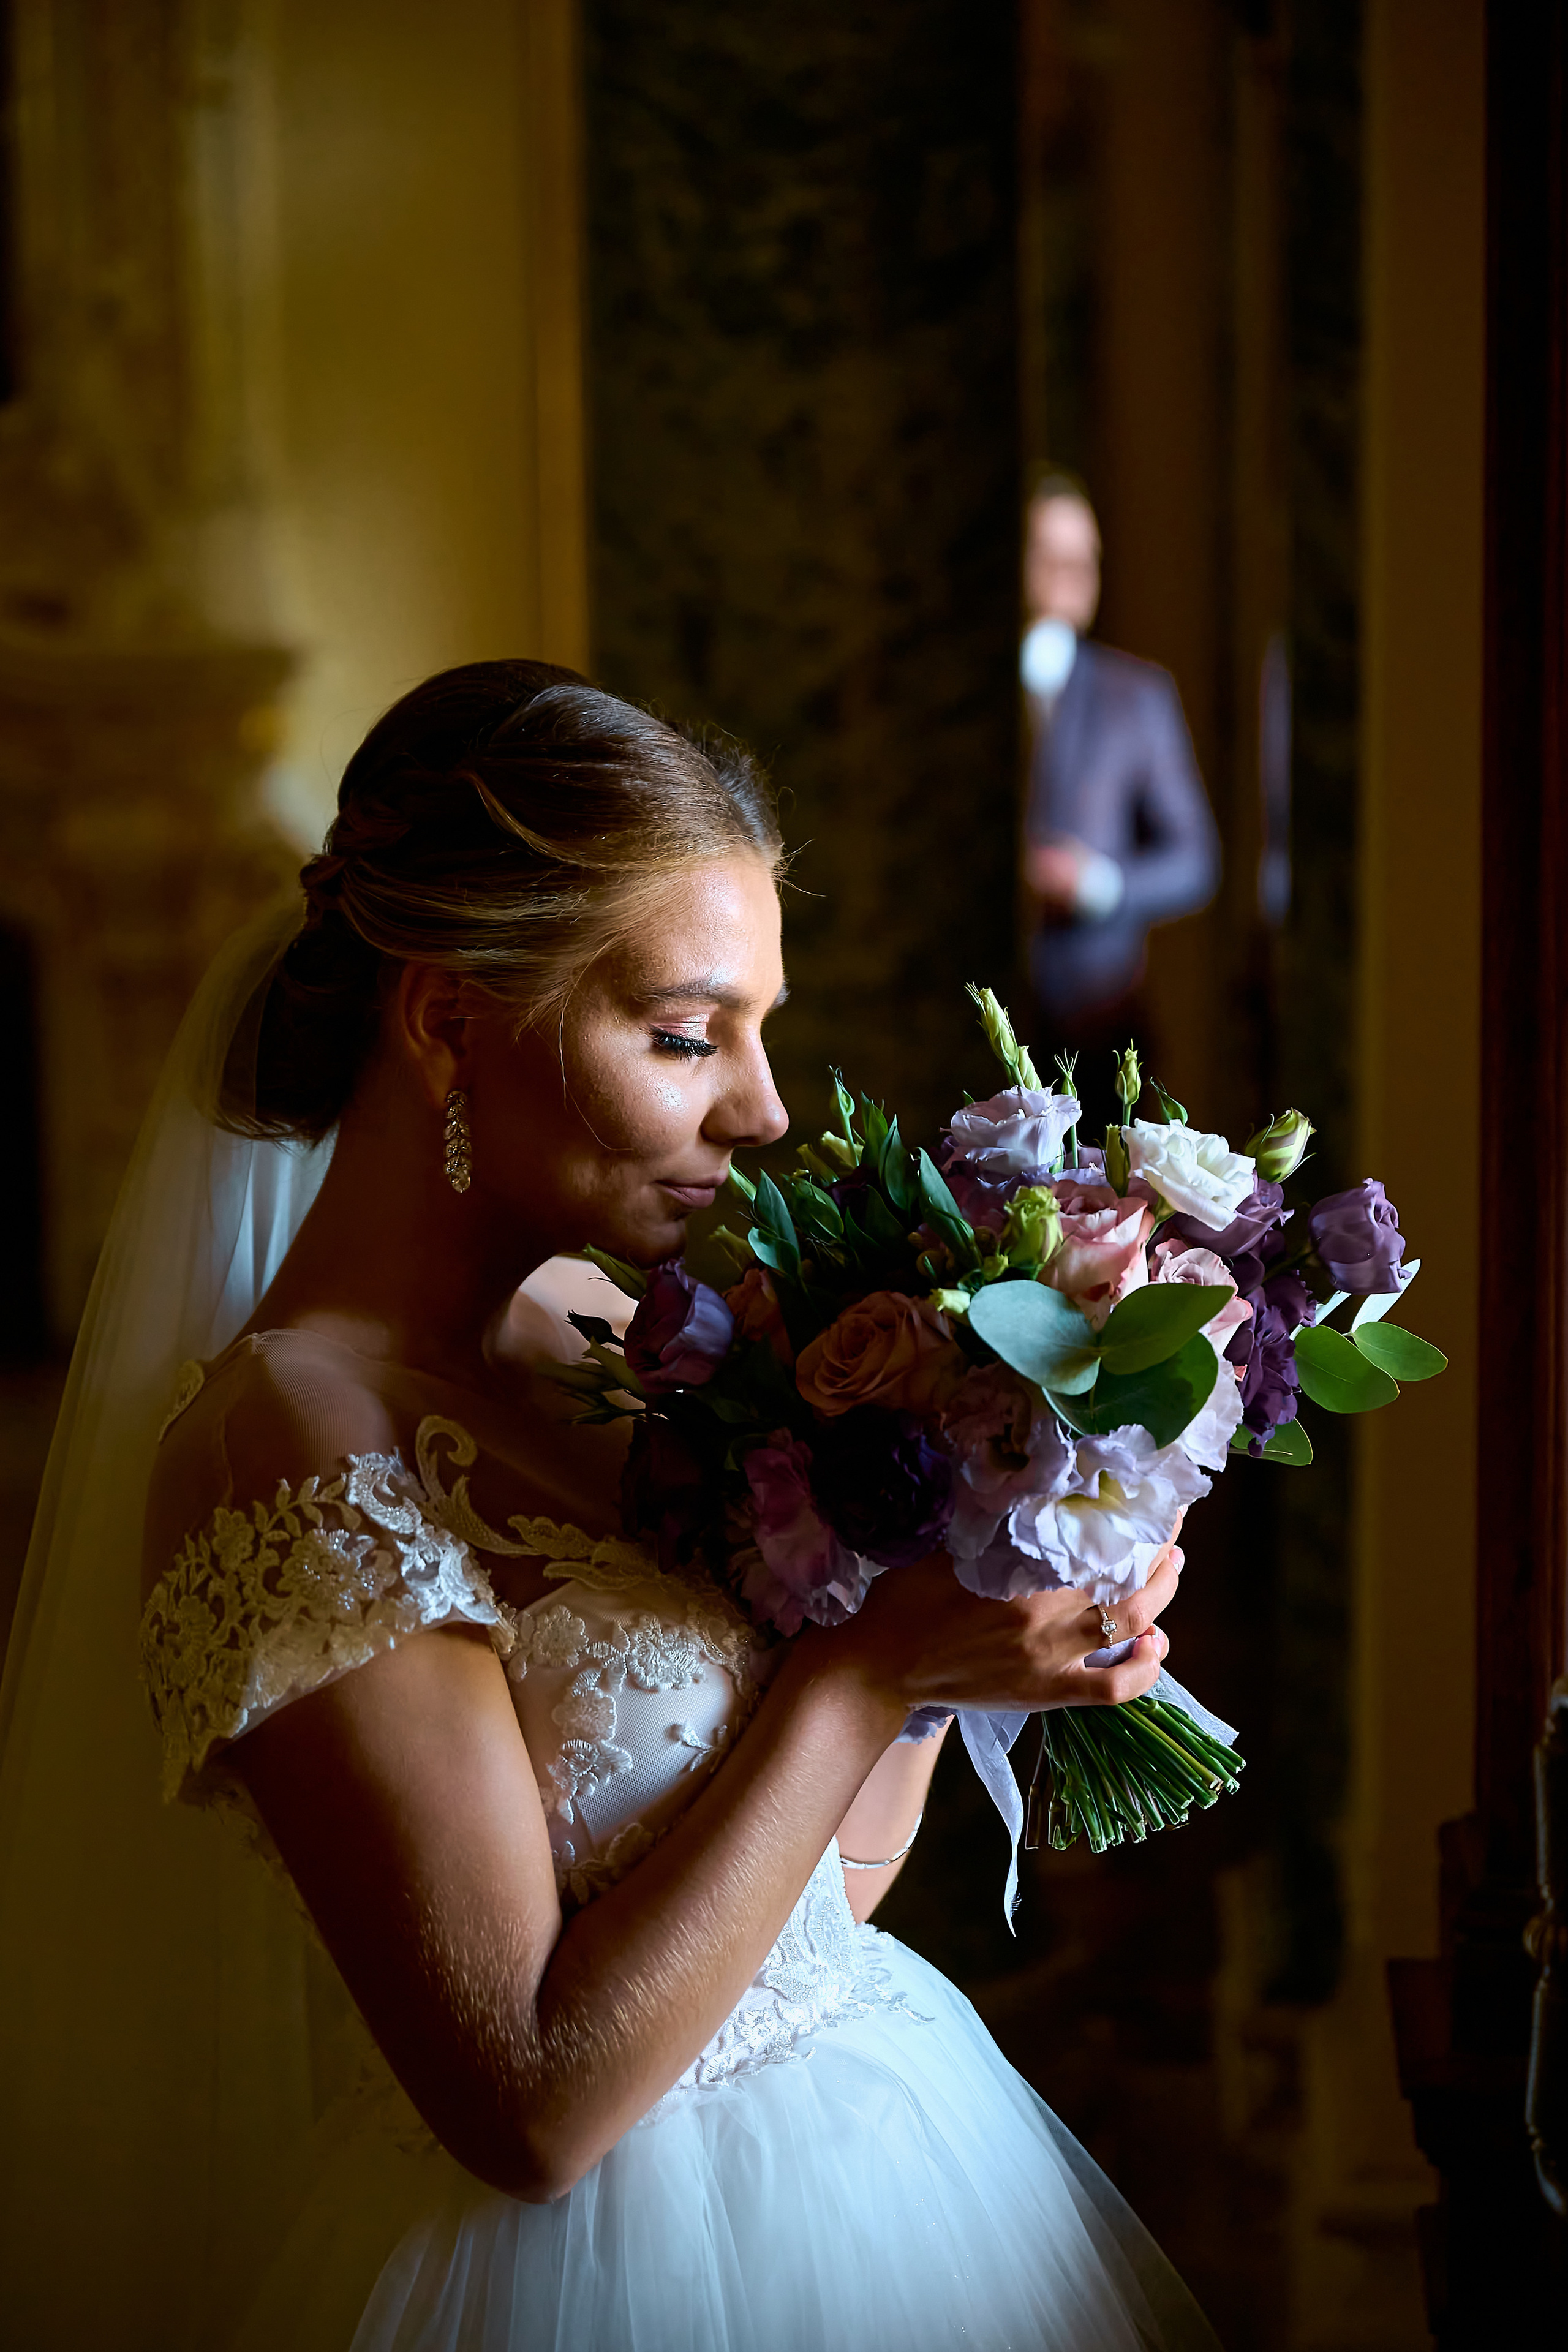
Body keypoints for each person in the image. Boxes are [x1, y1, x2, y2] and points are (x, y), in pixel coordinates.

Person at [0, 660, 1224, 2352]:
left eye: (758, 1029)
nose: (765, 1108)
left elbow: (812, 1914)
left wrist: (968, 1582)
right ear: (446, 1020)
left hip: (872, 2181)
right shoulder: (287, 1442)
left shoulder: (600, 1331)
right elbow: (531, 2110)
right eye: (681, 1034)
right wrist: (863, 1675)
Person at [1020, 480, 1220, 1062]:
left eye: (1085, 557)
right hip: (979, 1010)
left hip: (1099, 1019)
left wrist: (1097, 885)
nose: (1071, 572)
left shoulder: (1136, 695)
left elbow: (1196, 860)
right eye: (1050, 553)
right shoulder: (959, 693)